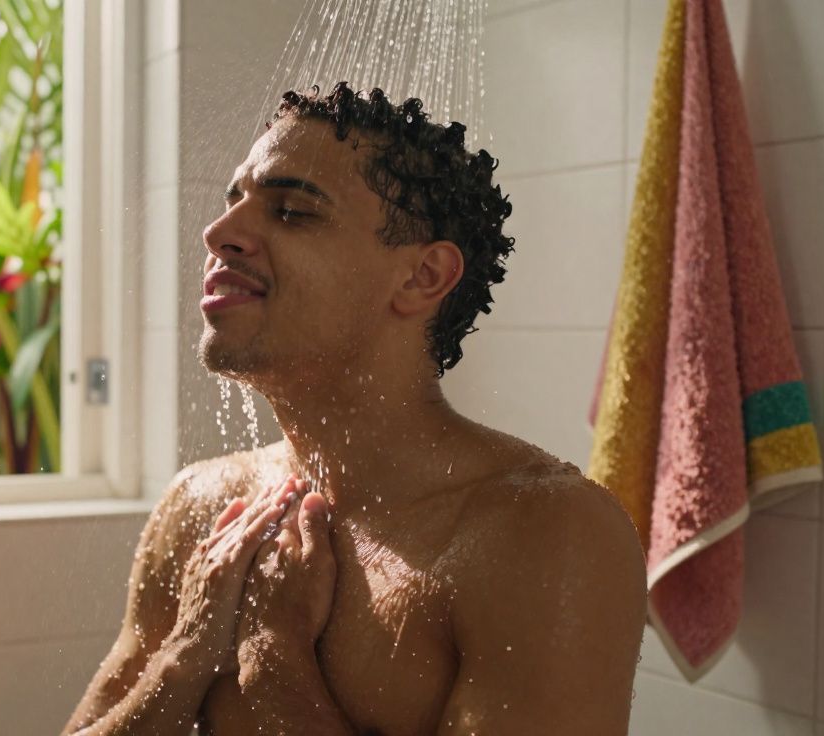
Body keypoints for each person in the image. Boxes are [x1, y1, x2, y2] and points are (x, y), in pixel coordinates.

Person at [64, 82, 647, 735]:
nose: (220, 232)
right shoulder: (203, 506)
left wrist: (274, 665)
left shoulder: (541, 535)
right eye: (235, 202)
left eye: (292, 212)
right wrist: (183, 657)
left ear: (421, 277)